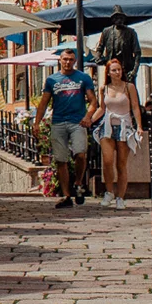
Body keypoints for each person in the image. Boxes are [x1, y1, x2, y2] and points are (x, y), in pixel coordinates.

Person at [34, 47, 98, 209]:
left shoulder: (83, 78)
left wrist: (88, 116)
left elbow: (93, 101)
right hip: (58, 122)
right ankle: (66, 195)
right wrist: (36, 122)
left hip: (77, 122)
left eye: (70, 59)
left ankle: (78, 183)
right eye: (65, 59)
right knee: (60, 160)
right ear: (60, 60)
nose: (68, 62)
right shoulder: (52, 80)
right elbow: (44, 102)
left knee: (80, 154)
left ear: (74, 61)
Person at [89, 55, 146, 209]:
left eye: (119, 70)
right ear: (108, 72)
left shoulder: (129, 87)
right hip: (108, 126)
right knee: (107, 161)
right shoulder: (104, 88)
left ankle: (121, 196)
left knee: (121, 164)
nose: (117, 72)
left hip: (124, 126)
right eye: (114, 70)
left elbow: (135, 107)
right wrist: (89, 120)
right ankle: (109, 192)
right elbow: (102, 108)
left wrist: (139, 126)